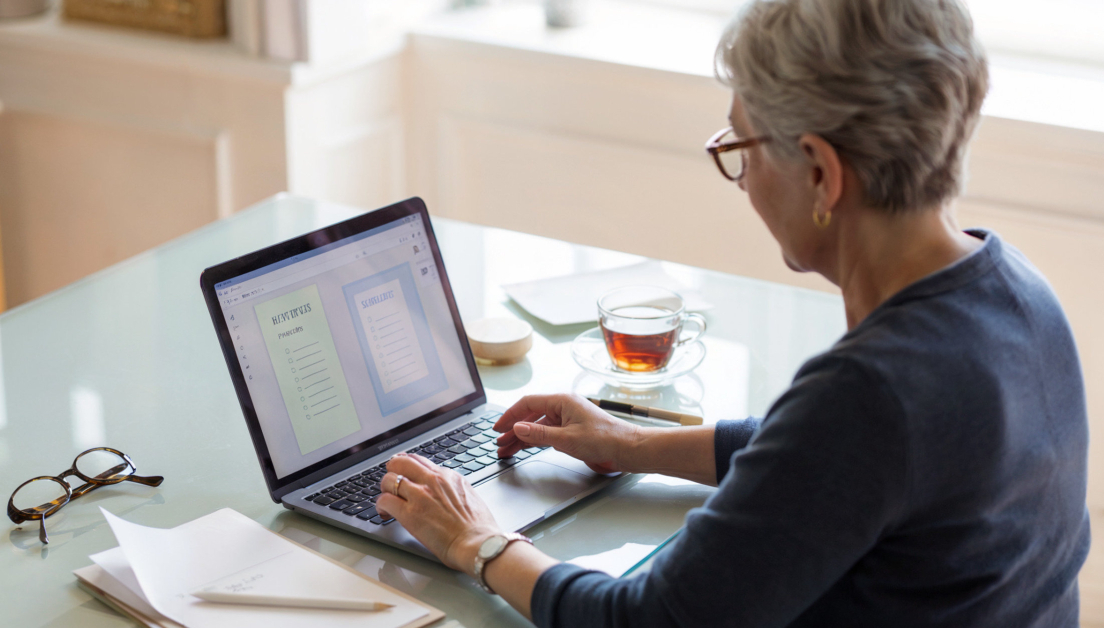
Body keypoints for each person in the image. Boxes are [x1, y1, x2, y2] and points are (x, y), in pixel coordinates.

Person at [373, 0, 1091, 625]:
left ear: (820, 171)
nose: (741, 178)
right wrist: (630, 442)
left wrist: (477, 540)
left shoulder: (871, 396)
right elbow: (821, 461)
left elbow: (647, 621)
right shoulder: (1016, 290)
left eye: (743, 147)